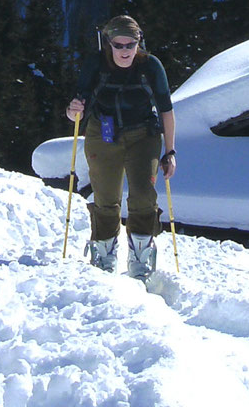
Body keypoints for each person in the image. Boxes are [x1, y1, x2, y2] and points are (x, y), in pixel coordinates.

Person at [66, 15, 176, 279]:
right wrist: (72, 111)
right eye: (118, 45)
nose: (125, 51)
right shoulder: (95, 64)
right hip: (102, 133)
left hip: (143, 135)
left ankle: (140, 256)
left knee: (142, 193)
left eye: (130, 44)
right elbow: (76, 110)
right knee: (105, 196)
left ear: (139, 42)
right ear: (109, 44)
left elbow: (166, 111)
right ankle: (104, 255)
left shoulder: (151, 66)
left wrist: (169, 152)